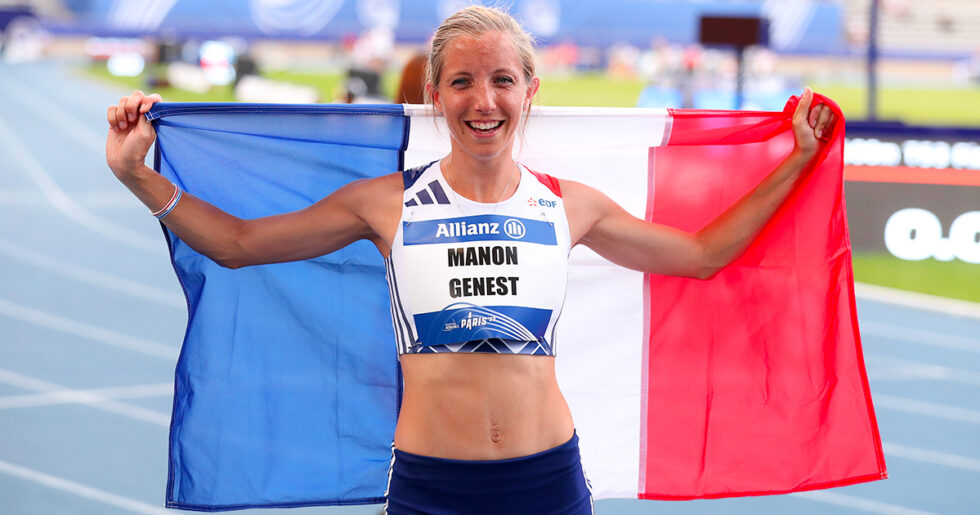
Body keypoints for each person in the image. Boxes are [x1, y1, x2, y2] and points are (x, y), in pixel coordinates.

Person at [105, 6, 836, 514]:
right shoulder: (383, 203)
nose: (482, 100)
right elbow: (238, 245)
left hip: (548, 481)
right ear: (435, 94)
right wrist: (140, 175)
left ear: (529, 92)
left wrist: (797, 161)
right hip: (431, 488)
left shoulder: (571, 205)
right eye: (461, 81)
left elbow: (704, 254)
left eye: (501, 81)